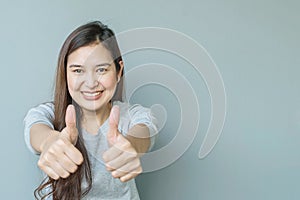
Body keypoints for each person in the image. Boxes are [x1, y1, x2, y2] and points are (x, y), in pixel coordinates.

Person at [24, 21, 157, 200]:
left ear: (118, 72)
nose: (91, 83)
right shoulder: (48, 114)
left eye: (101, 69)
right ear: (66, 74)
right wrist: (50, 142)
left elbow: (143, 132)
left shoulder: (133, 116)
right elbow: (36, 130)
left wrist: (131, 147)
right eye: (78, 70)